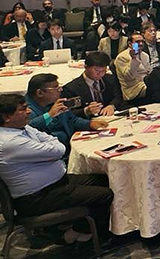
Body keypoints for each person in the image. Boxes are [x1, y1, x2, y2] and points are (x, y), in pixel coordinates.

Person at [0, 94, 113, 246]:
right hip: (37, 197)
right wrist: (51, 147)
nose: (29, 112)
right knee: (105, 195)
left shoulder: (22, 128)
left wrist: (50, 146)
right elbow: (59, 149)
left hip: (56, 183)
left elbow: (50, 140)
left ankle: (92, 227)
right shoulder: (9, 142)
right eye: (23, 109)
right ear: (7, 117)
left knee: (105, 179)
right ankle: (81, 235)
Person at [26, 73, 109, 153]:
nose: (61, 90)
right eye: (56, 88)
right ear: (40, 93)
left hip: (69, 147)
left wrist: (90, 124)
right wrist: (50, 115)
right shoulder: (25, 110)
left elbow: (72, 120)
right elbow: (29, 129)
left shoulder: (53, 102)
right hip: (49, 153)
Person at [61, 51, 123, 118]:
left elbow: (118, 96)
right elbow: (67, 112)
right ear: (86, 67)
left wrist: (112, 106)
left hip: (109, 117)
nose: (100, 74)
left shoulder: (110, 79)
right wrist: (86, 111)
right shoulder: (71, 88)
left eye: (103, 70)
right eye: (96, 70)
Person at [114, 33, 151, 103]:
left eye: (142, 41)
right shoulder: (122, 57)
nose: (140, 43)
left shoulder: (145, 55)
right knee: (155, 87)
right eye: (137, 42)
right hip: (132, 88)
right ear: (130, 44)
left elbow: (148, 72)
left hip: (146, 82)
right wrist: (134, 59)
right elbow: (128, 77)